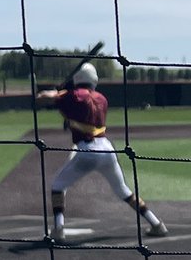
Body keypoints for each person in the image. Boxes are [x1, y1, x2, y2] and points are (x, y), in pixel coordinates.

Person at [36, 62, 167, 243]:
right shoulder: (102, 98)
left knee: (58, 186)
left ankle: (58, 230)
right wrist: (63, 95)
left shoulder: (71, 95)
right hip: (107, 149)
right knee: (124, 191)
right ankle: (156, 224)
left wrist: (57, 92)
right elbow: (79, 111)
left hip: (87, 151)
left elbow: (41, 98)